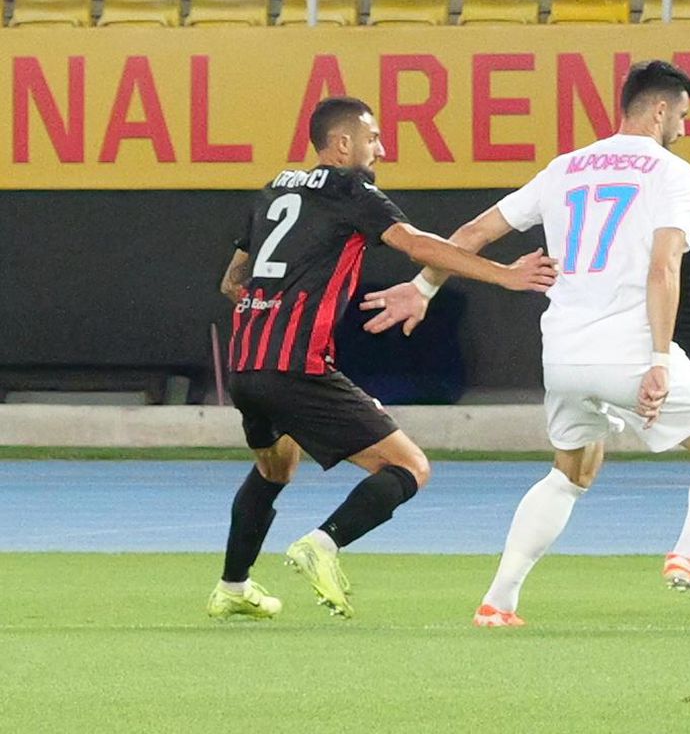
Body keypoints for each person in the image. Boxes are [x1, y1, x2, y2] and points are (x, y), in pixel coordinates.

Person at [360, 61, 690, 627]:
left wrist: (424, 288)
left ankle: (499, 601)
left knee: (570, 472)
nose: (686, 129)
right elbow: (663, 268)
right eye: (685, 116)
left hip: (563, 356)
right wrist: (660, 360)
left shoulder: (565, 168)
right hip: (628, 350)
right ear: (662, 110)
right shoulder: (674, 174)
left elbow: (473, 234)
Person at [206, 96, 557, 620]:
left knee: (275, 466)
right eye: (374, 138)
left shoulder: (274, 188)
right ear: (343, 144)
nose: (382, 148)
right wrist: (506, 275)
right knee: (409, 466)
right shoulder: (352, 190)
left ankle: (232, 589)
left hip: (247, 365)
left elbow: (232, 281)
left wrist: (271, 311)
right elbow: (417, 244)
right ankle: (322, 545)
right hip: (295, 365)